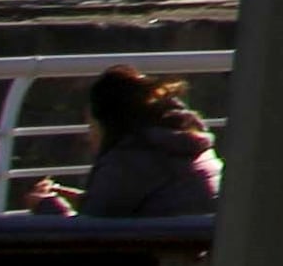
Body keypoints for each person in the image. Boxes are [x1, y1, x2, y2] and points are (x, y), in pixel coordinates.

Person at [22, 68, 216, 221]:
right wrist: (83, 201)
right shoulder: (183, 145)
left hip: (160, 265)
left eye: (92, 127)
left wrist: (44, 205)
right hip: (200, 259)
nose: (88, 137)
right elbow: (145, 203)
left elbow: (87, 239)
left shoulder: (130, 159)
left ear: (109, 123)